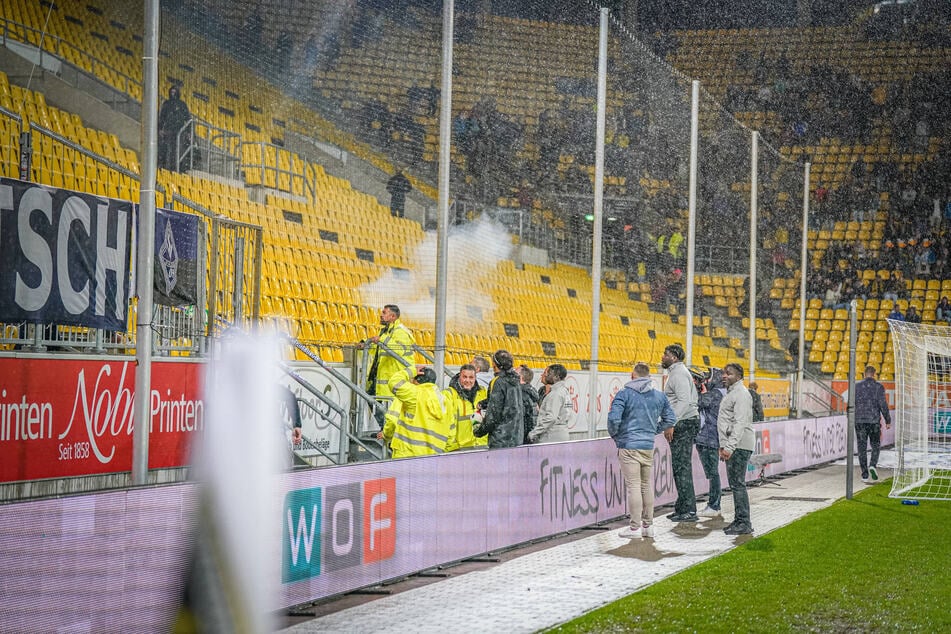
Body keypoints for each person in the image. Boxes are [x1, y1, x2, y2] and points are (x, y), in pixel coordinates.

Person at [608, 362, 676, 539]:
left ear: (633, 375)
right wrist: (653, 430)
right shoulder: (659, 396)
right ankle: (648, 525)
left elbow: (614, 419)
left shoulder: (624, 394)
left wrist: (617, 436)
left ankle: (634, 528)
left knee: (634, 486)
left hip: (629, 445)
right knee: (646, 485)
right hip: (647, 445)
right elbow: (671, 419)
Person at [661, 343, 700, 522]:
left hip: (684, 423)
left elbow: (683, 402)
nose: (662, 357)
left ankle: (689, 510)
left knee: (682, 467)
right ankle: (682, 506)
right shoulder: (679, 373)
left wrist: (671, 422)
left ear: (674, 357)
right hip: (685, 422)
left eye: (665, 354)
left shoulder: (677, 374)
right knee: (679, 467)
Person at [718, 363, 755, 536]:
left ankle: (744, 522)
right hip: (735, 445)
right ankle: (740, 519)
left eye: (729, 373)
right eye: (724, 373)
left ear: (738, 376)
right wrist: (723, 445)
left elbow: (740, 423)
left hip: (739, 445)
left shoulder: (740, 394)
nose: (724, 376)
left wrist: (730, 446)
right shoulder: (733, 393)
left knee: (737, 484)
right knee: (736, 484)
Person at [381, 366, 451, 458]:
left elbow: (394, 382)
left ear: (417, 381)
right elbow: (451, 434)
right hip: (433, 458)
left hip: (407, 456)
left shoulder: (413, 395)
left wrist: (411, 371)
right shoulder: (446, 401)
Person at [365, 305, 416, 426]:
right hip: (383, 379)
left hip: (395, 378)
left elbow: (399, 350)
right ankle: (385, 429)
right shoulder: (386, 331)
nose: (381, 315)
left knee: (391, 410)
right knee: (371, 399)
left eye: (384, 313)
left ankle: (388, 431)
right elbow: (379, 350)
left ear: (392, 316)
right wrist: (365, 344)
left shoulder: (400, 331)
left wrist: (382, 339)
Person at [473, 350, 523, 449]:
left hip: (500, 439)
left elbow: (494, 414)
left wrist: (479, 431)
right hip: (516, 436)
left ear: (495, 364)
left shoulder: (498, 382)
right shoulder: (515, 381)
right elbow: (508, 402)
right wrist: (484, 403)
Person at [694, 368, 726, 518]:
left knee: (713, 474)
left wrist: (700, 390)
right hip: (708, 437)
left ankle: (714, 505)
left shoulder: (716, 394)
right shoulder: (719, 393)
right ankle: (714, 504)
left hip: (710, 438)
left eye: (707, 379)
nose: (705, 381)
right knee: (712, 473)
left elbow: (698, 402)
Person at [854, 365, 891, 483]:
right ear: (874, 374)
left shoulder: (857, 386)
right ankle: (872, 465)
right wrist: (888, 420)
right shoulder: (878, 387)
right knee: (875, 445)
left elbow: (851, 403)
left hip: (859, 421)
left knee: (861, 448)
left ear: (864, 374)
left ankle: (864, 474)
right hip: (873, 421)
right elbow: (883, 405)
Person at [443, 364, 487, 451]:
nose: (468, 380)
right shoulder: (449, 394)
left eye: (471, 377)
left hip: (480, 446)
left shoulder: (483, 392)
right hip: (457, 449)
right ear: (459, 376)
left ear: (475, 378)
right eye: (465, 377)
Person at [529, 364, 571, 444]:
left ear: (556, 377)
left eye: (548, 373)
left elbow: (551, 418)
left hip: (551, 436)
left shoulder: (555, 394)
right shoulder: (565, 391)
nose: (545, 375)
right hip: (562, 433)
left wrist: (534, 432)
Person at [158, 85, 192, 172]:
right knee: (168, 149)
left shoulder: (182, 104)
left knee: (179, 150)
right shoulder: (166, 103)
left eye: (174, 92)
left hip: (180, 131)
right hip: (169, 130)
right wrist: (160, 129)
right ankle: (167, 167)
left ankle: (179, 168)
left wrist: (189, 132)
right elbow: (162, 117)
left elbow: (188, 118)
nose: (173, 94)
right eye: (171, 92)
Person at [517, 365, 539, 444]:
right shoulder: (531, 392)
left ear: (520, 377)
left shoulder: (521, 394)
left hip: (523, 438)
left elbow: (524, 418)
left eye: (515, 373)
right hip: (530, 436)